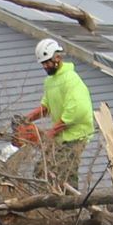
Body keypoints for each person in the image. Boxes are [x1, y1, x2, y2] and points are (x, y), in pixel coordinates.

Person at [21, 37, 94, 187]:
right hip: (61, 136)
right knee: (41, 170)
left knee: (66, 172)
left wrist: (51, 132)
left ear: (57, 58)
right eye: (43, 63)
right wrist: (27, 119)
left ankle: (71, 205)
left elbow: (75, 111)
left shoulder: (71, 79)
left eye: (47, 62)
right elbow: (46, 106)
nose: (46, 66)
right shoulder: (50, 82)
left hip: (76, 135)